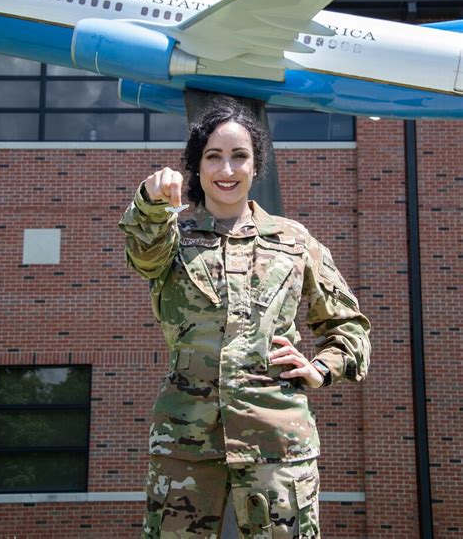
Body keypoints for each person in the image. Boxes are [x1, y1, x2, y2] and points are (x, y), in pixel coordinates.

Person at [119, 97, 371, 538]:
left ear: (257, 166)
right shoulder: (172, 240)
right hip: (186, 446)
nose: (227, 170)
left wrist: (319, 369)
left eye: (240, 156)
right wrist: (151, 201)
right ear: (196, 167)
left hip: (278, 444)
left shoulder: (295, 242)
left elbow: (348, 327)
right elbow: (142, 251)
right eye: (213, 157)